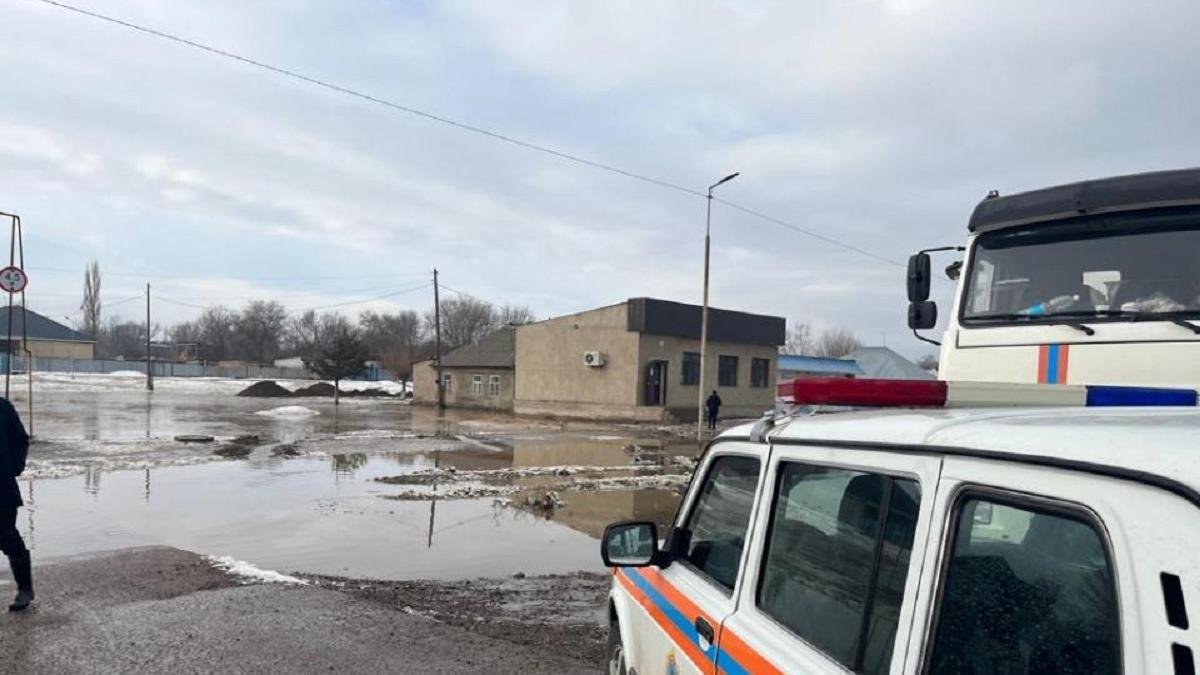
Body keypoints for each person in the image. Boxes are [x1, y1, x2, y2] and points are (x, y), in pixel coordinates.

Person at [0, 396, 31, 612]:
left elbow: (20, 439)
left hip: (1, 487)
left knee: (7, 536)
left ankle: (25, 588)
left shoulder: (2, 408)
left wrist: (13, 467)